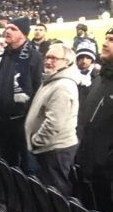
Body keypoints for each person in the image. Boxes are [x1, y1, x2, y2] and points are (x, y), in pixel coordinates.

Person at [0, 17, 43, 172]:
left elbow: (38, 88)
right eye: (7, 28)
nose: (7, 31)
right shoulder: (0, 55)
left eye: (13, 29)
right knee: (6, 166)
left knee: (28, 168)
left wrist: (29, 115)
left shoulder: (34, 56)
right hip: (1, 121)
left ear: (23, 34)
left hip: (22, 123)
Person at [24, 43, 78, 196]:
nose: (48, 61)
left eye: (54, 58)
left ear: (66, 62)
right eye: (47, 57)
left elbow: (54, 123)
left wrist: (36, 141)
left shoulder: (62, 85)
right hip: (50, 147)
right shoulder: (52, 80)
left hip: (55, 148)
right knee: (49, 190)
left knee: (57, 193)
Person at [76, 28, 113, 212]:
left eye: (112, 40)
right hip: (90, 169)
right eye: (106, 38)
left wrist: (104, 162)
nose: (105, 43)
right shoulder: (100, 78)